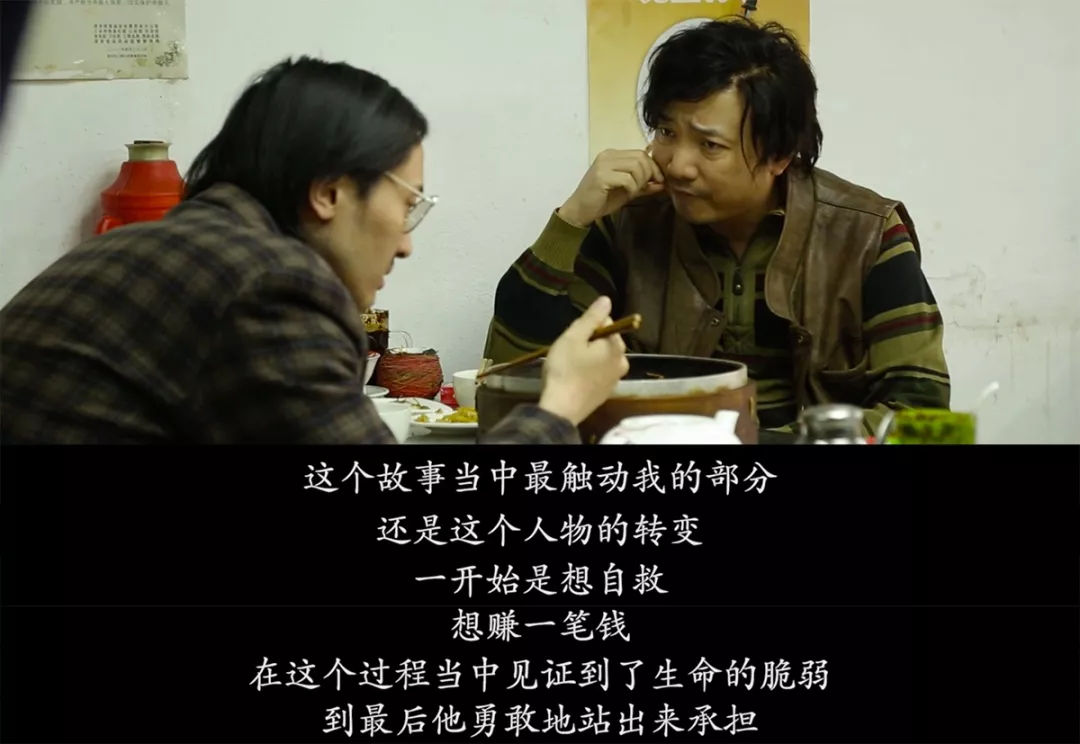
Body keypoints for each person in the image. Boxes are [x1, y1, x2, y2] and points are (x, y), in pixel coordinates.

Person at [0, 57, 628, 443]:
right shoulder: (271, 286)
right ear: (329, 192)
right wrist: (560, 405)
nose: (406, 244)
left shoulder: (163, 248)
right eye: (407, 205)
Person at [483, 17, 949, 433]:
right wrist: (571, 219)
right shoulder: (627, 223)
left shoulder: (866, 234)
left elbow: (920, 413)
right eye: (666, 132)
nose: (678, 165)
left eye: (709, 146)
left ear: (779, 156)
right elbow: (516, 381)